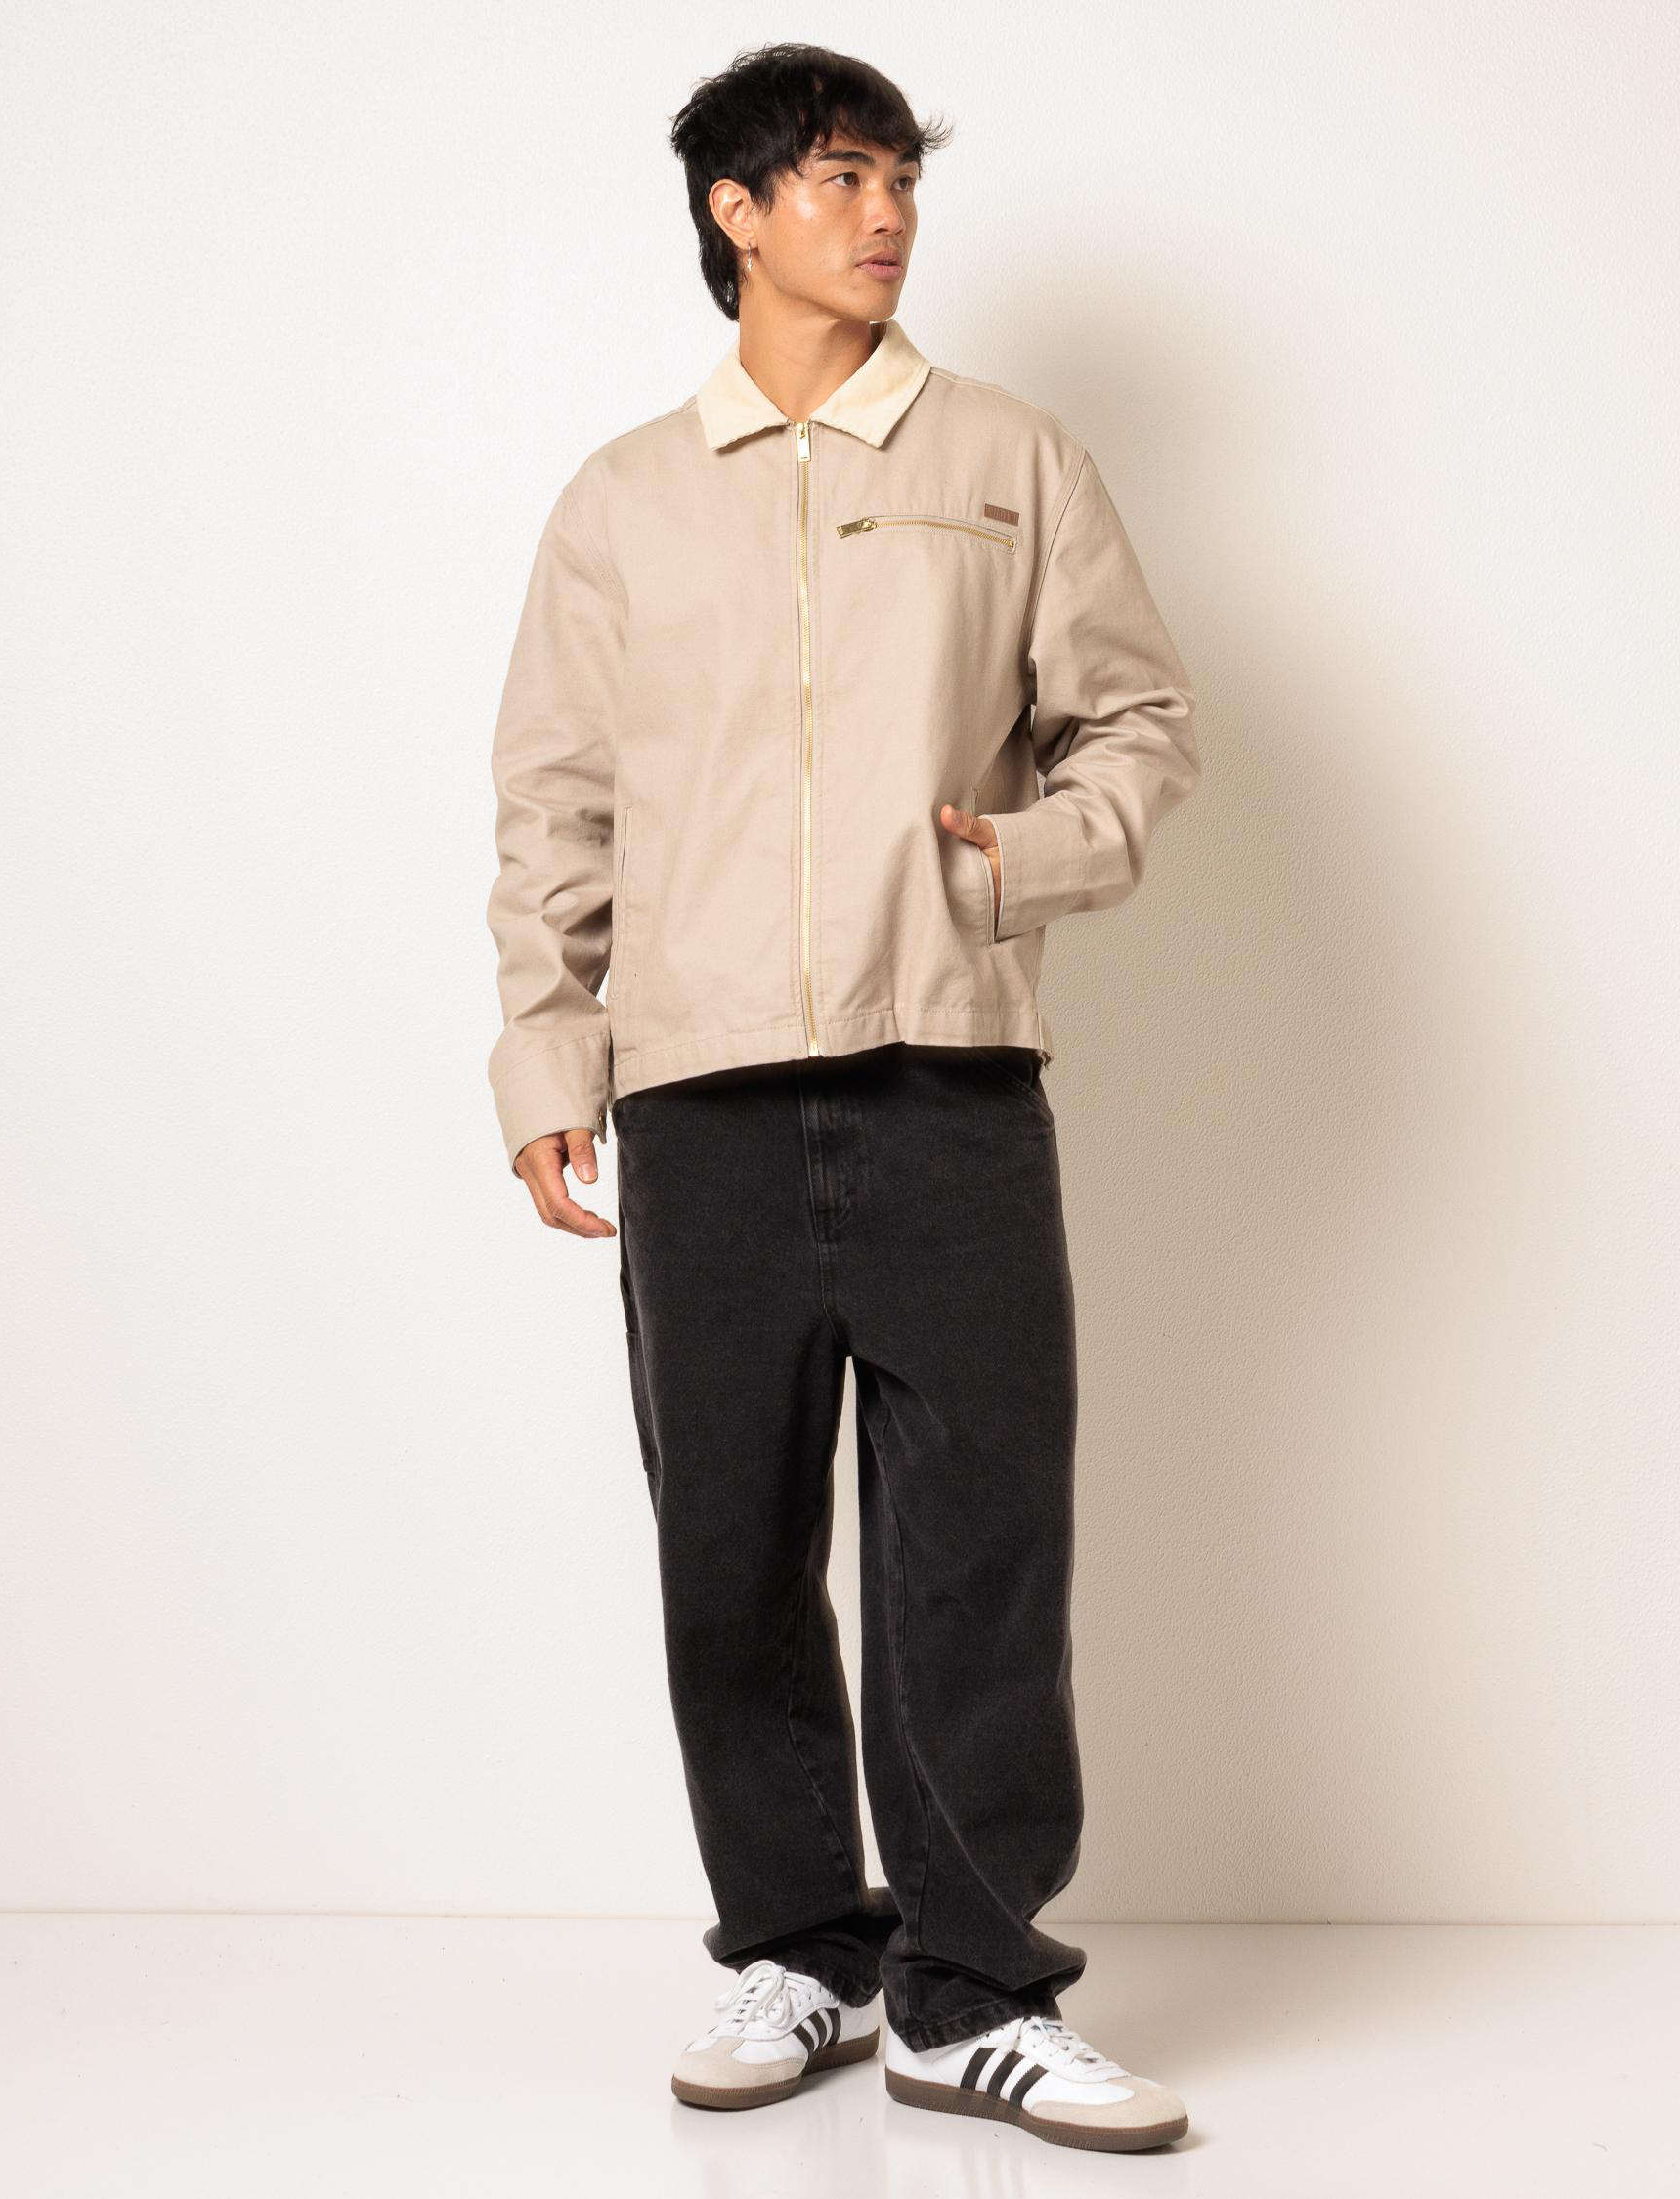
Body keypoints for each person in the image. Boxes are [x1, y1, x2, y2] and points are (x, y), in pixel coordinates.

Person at [484, 42, 1201, 2155]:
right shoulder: (624, 498)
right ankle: (801, 1949)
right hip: (696, 1090)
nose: (884, 214)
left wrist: (1021, 861)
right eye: (837, 177)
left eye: (899, 179)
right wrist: (548, 1055)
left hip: (947, 1073)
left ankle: (971, 1996)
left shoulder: (1009, 458)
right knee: (727, 1548)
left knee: (980, 1547)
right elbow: (554, 808)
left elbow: (1141, 724)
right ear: (736, 212)